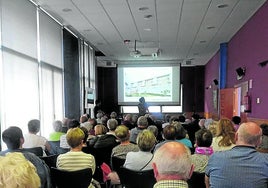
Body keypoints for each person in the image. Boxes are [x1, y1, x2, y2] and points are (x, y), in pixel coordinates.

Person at [205, 122, 268, 188]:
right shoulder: (266, 161)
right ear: (259, 141)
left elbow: (208, 183)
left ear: (236, 136)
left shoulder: (215, 157)